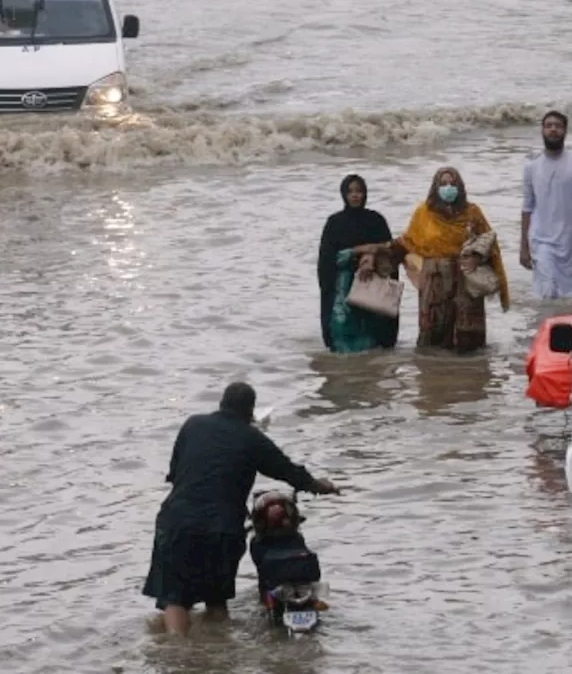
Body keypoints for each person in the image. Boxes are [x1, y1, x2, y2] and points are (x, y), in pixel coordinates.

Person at [142, 383, 338, 636]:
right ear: (250, 411)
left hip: (177, 521)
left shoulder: (193, 425)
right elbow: (288, 471)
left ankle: (178, 653)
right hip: (222, 529)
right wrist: (318, 486)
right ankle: (218, 653)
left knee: (174, 598)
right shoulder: (252, 438)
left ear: (221, 403)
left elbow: (175, 474)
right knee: (216, 600)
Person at [363, 167, 509, 353]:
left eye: (452, 184)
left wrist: (477, 258)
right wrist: (373, 256)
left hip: (466, 285)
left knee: (469, 346)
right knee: (433, 342)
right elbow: (407, 243)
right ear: (435, 187)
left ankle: (471, 377)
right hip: (434, 285)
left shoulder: (472, 213)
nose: (448, 188)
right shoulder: (423, 213)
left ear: (460, 187)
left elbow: (489, 244)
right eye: (443, 184)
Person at [316, 174, 400, 353]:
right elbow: (328, 259)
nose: (355, 195)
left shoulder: (376, 220)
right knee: (343, 343)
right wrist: (358, 251)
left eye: (359, 191)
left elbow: (391, 251)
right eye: (350, 191)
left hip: (372, 287)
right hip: (343, 291)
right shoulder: (334, 223)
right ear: (344, 195)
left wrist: (372, 256)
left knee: (374, 345)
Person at [520, 111, 572, 299]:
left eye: (558, 126)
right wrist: (523, 246)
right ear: (542, 131)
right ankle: (544, 325)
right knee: (546, 292)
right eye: (548, 126)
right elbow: (527, 208)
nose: (553, 129)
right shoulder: (532, 167)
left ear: (565, 131)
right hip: (541, 240)